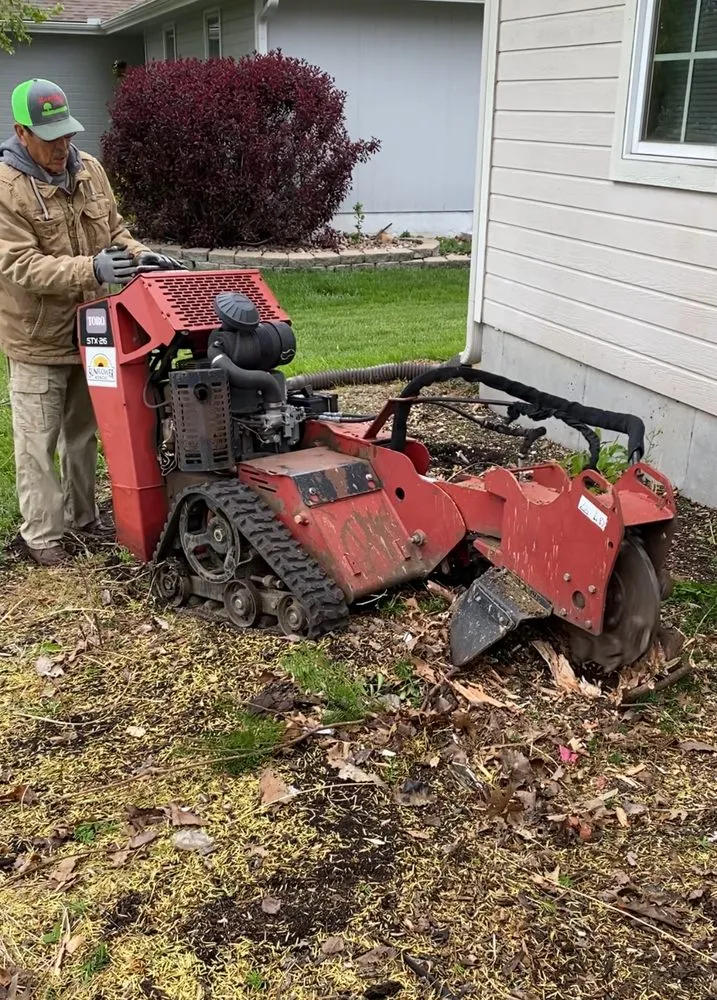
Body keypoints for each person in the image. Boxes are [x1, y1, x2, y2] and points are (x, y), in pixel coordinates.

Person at [0, 79, 178, 566]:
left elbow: (115, 231)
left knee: (84, 433)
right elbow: (18, 264)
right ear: (21, 131)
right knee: (38, 441)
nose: (63, 146)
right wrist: (90, 269)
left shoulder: (90, 170)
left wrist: (144, 256)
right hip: (36, 337)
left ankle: (84, 520)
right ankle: (42, 536)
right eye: (50, 136)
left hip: (93, 330)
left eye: (67, 134)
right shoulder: (6, 189)